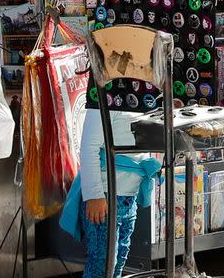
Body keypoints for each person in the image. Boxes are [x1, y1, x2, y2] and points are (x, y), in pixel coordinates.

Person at [60, 109, 161, 278]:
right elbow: (89, 147)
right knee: (104, 264)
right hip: (105, 196)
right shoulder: (106, 97)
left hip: (129, 197)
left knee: (118, 261)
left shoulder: (143, 97)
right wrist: (94, 195)